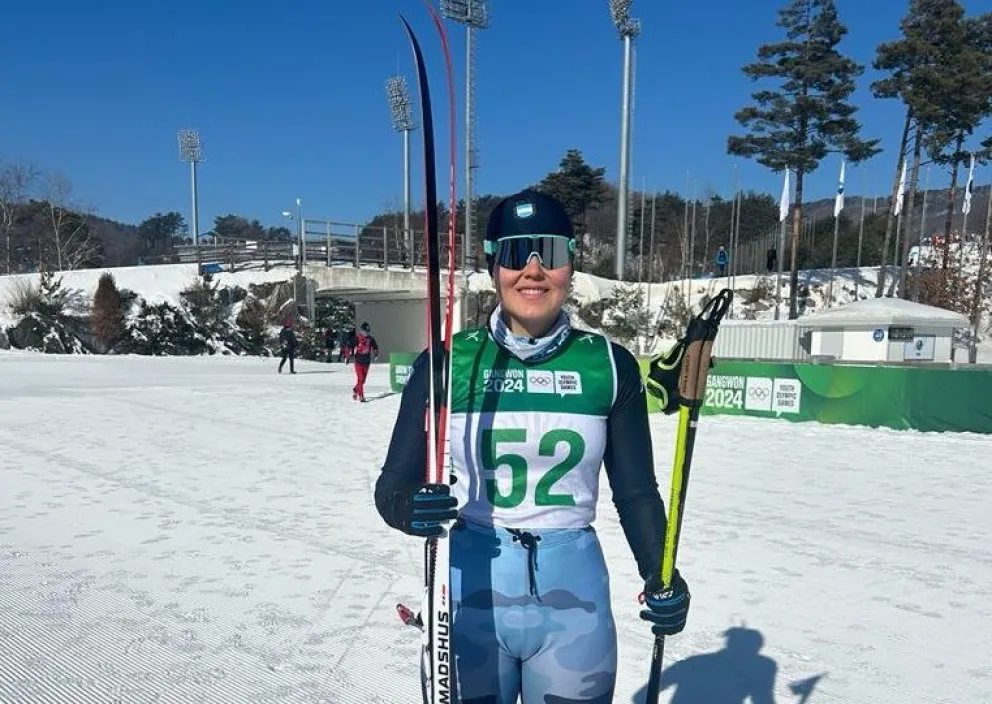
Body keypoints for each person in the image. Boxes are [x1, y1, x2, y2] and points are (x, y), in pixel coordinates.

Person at [374, 189, 690, 703]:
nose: (534, 270)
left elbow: (636, 493)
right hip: (472, 590)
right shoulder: (449, 363)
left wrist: (661, 573)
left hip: (574, 600)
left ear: (571, 263)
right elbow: (392, 489)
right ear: (494, 263)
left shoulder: (609, 365)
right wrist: (412, 508)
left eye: (552, 252)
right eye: (518, 253)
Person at [350, 322, 379, 401]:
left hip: (366, 362)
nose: (366, 333)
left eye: (368, 331)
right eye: (365, 331)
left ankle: (355, 390)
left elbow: (375, 347)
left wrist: (376, 354)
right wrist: (349, 354)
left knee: (363, 380)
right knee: (360, 379)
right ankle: (361, 396)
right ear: (361, 331)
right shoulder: (357, 338)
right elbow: (350, 345)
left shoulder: (370, 339)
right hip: (358, 361)